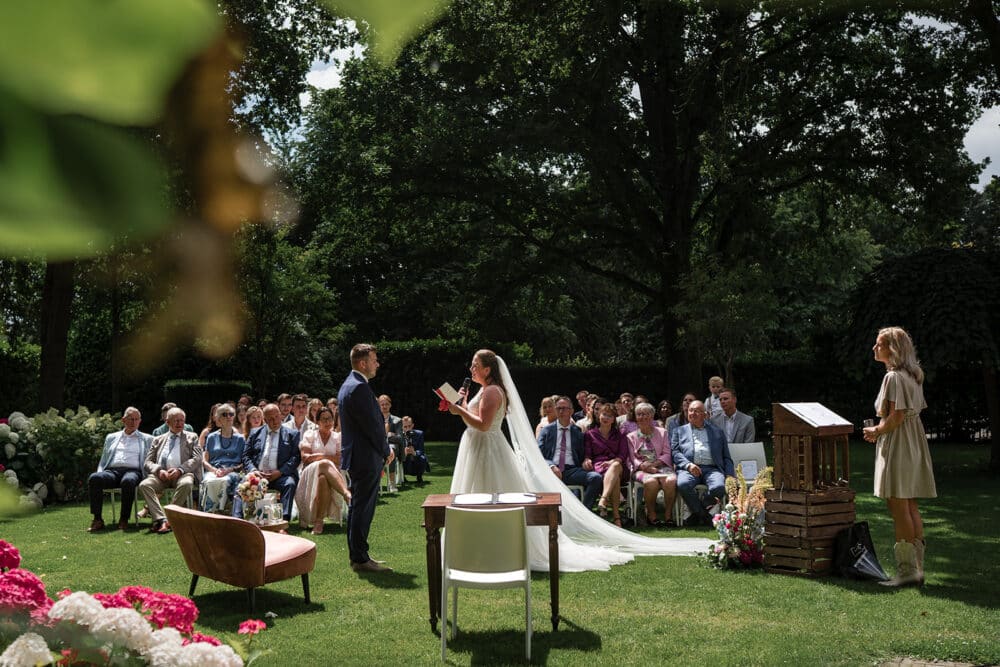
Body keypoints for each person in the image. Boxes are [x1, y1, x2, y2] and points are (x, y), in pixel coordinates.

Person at [445, 349, 711, 572]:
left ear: (488, 369)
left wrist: (457, 409)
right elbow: (474, 417)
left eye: (475, 365)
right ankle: (479, 548)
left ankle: (493, 549)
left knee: (490, 495)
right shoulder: (485, 390)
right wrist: (460, 403)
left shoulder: (492, 392)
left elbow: (482, 424)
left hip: (487, 449)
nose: (471, 368)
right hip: (478, 447)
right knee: (477, 494)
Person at [863, 326, 936, 587]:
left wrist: (876, 430)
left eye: (879, 344)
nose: (874, 348)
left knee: (898, 504)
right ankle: (916, 569)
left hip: (899, 442)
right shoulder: (913, 375)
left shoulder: (893, 377)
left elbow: (896, 416)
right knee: (909, 504)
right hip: (913, 441)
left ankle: (907, 573)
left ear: (892, 349)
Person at [340, 343, 395, 573]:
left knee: (357, 506)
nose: (377, 363)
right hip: (365, 457)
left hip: (357, 456)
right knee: (363, 507)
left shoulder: (348, 385)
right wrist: (386, 450)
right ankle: (361, 559)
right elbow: (373, 426)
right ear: (363, 363)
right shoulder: (359, 387)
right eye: (374, 359)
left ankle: (358, 555)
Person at [87, 407, 152, 532]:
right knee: (95, 478)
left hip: (134, 471)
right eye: (130, 419)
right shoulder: (111, 437)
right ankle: (97, 519)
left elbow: (150, 459)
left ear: (140, 421)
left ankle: (124, 519)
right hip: (112, 471)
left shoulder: (147, 439)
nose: (133, 422)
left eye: (136, 419)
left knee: (128, 481)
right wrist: (101, 471)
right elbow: (104, 458)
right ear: (123, 420)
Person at [139, 407, 202, 534]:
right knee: (144, 485)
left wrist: (180, 469)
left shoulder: (192, 437)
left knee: (187, 484)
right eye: (176, 421)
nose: (180, 424)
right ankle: (160, 519)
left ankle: (168, 519)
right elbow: (147, 462)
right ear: (167, 422)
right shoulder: (158, 439)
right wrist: (158, 471)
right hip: (162, 476)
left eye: (182, 421)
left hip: (182, 474)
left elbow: (197, 458)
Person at [672, 400, 734, 525]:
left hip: (712, 468)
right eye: (690, 410)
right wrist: (688, 465)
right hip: (689, 468)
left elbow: (726, 457)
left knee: (719, 487)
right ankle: (703, 514)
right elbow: (675, 452)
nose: (692, 413)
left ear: (705, 414)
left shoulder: (717, 432)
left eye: (697, 411)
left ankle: (697, 510)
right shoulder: (679, 431)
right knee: (683, 484)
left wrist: (729, 474)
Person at [238, 403, 301, 524]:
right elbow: (245, 455)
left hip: (280, 475)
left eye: (277, 417)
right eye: (270, 419)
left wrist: (280, 472)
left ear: (280, 416)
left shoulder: (292, 434)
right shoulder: (255, 433)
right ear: (265, 420)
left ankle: (283, 521)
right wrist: (253, 470)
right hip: (258, 475)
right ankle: (239, 520)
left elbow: (296, 457)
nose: (275, 421)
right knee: (242, 484)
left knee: (289, 483)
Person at [537, 396, 602, 510]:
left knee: (595, 477)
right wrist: (551, 466)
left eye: (564, 408)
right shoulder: (546, 430)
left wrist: (586, 459)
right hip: (552, 470)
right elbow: (538, 453)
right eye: (558, 408)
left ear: (571, 411)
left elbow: (584, 453)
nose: (561, 411)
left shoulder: (577, 431)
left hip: (571, 471)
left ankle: (584, 512)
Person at [295, 406, 352, 535]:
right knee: (325, 464)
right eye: (324, 420)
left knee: (323, 478)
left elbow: (340, 460)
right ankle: (346, 494)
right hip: (309, 473)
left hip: (333, 475)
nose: (328, 423)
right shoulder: (310, 434)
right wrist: (326, 459)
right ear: (317, 422)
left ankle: (318, 522)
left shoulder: (338, 437)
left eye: (330, 419)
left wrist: (317, 456)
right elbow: (305, 458)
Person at [628, 402, 677, 526]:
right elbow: (631, 458)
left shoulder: (662, 432)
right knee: (651, 482)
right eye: (639, 414)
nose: (642, 417)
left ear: (652, 416)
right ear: (635, 417)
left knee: (671, 480)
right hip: (641, 469)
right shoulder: (631, 437)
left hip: (661, 466)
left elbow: (667, 453)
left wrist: (655, 464)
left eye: (646, 414)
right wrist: (643, 466)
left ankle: (668, 515)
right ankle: (651, 514)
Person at [585, 402, 630, 526]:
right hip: (600, 466)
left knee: (615, 467)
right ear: (599, 415)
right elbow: (588, 454)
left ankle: (603, 499)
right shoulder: (590, 434)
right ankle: (617, 518)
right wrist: (587, 459)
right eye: (604, 414)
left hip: (619, 465)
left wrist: (612, 461)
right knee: (614, 479)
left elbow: (623, 455)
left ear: (614, 419)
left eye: (610, 416)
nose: (606, 418)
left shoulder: (620, 434)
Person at [199, 404, 245, 514]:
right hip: (214, 470)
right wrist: (214, 470)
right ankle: (209, 513)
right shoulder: (211, 437)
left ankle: (222, 512)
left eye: (231, 414)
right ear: (219, 419)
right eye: (225, 414)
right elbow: (204, 460)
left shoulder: (240, 439)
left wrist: (229, 470)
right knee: (208, 481)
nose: (229, 417)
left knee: (225, 481)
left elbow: (244, 462)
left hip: (233, 471)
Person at [378, 394, 404, 491]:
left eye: (386, 404)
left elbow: (399, 438)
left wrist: (387, 436)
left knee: (391, 450)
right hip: (378, 446)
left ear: (390, 405)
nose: (384, 406)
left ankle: (392, 483)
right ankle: (374, 483)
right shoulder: (374, 420)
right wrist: (389, 434)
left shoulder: (397, 420)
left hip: (391, 447)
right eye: (382, 404)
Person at [401, 416, 430, 483]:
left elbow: (421, 450)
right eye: (405, 427)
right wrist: (404, 453)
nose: (408, 429)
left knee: (423, 457)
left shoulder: (419, 434)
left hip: (415, 457)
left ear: (413, 425)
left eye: (409, 426)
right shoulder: (398, 435)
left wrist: (414, 452)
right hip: (404, 458)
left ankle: (419, 476)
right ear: (401, 427)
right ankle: (402, 477)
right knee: (397, 459)